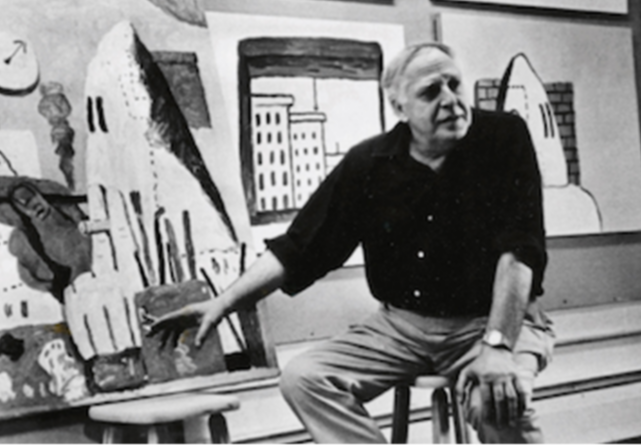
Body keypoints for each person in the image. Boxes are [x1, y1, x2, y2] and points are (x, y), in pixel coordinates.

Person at [151, 42, 556, 445]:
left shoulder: (504, 137)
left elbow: (520, 251)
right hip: (402, 327)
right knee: (304, 379)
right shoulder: (369, 163)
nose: (450, 100)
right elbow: (299, 248)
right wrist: (222, 304)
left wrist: (497, 346)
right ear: (399, 107)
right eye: (431, 92)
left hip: (491, 320)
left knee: (497, 403)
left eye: (455, 84)